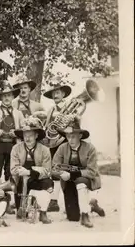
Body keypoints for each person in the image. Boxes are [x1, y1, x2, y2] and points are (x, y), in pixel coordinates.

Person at [52, 123, 105, 228]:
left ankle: (85, 216)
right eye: (68, 136)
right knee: (73, 217)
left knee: (81, 183)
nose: (70, 140)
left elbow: (92, 171)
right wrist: (61, 173)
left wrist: (72, 175)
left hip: (85, 178)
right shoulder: (62, 148)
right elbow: (54, 167)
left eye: (73, 136)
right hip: (68, 181)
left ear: (80, 136)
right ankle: (92, 205)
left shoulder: (90, 148)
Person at [41, 76, 77, 212]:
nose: (55, 95)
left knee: (69, 171)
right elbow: (48, 127)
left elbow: (76, 128)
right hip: (53, 144)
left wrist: (71, 119)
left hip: (67, 142)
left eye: (58, 92)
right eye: (53, 93)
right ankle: (54, 201)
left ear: (63, 94)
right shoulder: (50, 109)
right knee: (55, 172)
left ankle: (72, 202)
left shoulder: (71, 108)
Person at [10, 116, 54, 224]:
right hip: (21, 181)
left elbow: (47, 171)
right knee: (22, 215)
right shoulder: (16, 148)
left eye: (30, 135)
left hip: (37, 179)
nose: (27, 138)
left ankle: (43, 213)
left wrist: (29, 172)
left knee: (49, 183)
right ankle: (26, 205)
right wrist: (22, 172)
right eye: (25, 135)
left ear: (36, 135)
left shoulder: (45, 150)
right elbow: (13, 169)